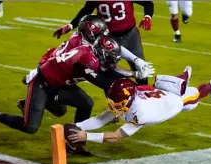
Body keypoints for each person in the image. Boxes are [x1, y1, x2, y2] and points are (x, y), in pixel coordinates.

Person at [0, 35, 138, 136]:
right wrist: (134, 76)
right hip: (43, 82)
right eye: (110, 58)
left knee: (75, 107)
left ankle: (73, 138)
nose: (113, 62)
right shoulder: (87, 60)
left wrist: (135, 74)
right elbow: (103, 81)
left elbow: (108, 73)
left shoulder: (89, 52)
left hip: (61, 83)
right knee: (30, 127)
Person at [17, 15, 155, 117]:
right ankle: (34, 90)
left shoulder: (85, 41)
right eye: (100, 33)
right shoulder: (84, 50)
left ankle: (33, 99)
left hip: (61, 69)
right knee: (65, 108)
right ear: (91, 33)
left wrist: (136, 59)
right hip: (53, 74)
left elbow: (111, 45)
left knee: (61, 111)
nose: (104, 35)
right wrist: (134, 74)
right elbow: (106, 72)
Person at [65, 66, 211, 145]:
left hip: (173, 102)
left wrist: (87, 136)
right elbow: (100, 120)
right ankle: (183, 78)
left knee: (194, 99)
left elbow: (117, 137)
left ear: (127, 100)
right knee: (176, 88)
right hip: (159, 94)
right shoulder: (127, 100)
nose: (114, 107)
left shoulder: (140, 113)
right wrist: (76, 126)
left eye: (117, 103)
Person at [53, 1, 154, 85]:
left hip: (131, 36)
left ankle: (144, 98)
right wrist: (70, 25)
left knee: (142, 71)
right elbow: (86, 10)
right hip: (108, 37)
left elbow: (148, 3)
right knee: (109, 71)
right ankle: (118, 100)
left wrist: (148, 17)